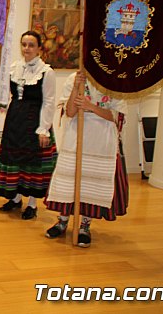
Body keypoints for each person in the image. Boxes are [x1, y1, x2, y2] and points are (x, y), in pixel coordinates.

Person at [44, 71, 128, 248]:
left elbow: (116, 116)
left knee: (92, 185)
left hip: (101, 140)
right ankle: (62, 221)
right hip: (76, 138)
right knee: (69, 182)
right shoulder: (75, 77)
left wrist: (91, 106)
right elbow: (70, 112)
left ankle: (84, 226)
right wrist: (76, 86)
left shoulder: (115, 79)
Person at [0, 31, 57, 220]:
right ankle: (15, 198)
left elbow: (49, 102)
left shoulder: (46, 72)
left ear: (39, 48)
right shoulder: (14, 68)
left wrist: (43, 129)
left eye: (31, 45)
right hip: (15, 119)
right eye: (24, 44)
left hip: (34, 120)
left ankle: (32, 204)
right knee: (15, 159)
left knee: (31, 162)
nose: (26, 48)